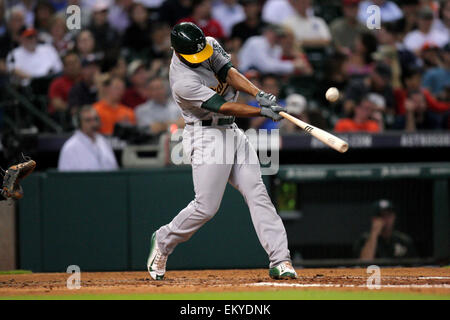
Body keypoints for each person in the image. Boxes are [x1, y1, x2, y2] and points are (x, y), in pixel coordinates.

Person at [147, 22, 296, 281]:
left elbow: (227, 71)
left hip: (233, 132)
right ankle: (163, 240)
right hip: (206, 135)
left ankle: (280, 259)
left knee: (257, 192)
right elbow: (222, 107)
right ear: (177, 51)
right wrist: (260, 110)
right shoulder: (182, 81)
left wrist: (258, 93)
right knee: (206, 207)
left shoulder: (209, 43)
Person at [58, 105, 118, 171]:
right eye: (88, 120)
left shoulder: (104, 142)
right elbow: (64, 177)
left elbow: (114, 169)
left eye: (95, 119)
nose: (93, 124)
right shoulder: (70, 147)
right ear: (79, 123)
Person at [238, 24, 306, 75]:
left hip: (259, 76)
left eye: (280, 36)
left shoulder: (276, 48)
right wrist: (292, 65)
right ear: (267, 32)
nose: (277, 38)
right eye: (275, 34)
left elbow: (276, 67)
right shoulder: (256, 42)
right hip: (243, 74)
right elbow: (266, 67)